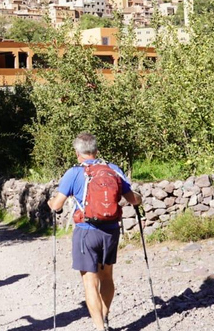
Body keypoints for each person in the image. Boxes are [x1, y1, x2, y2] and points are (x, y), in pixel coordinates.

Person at [47, 132, 142, 331]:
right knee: (107, 277)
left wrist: (51, 203)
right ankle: (105, 316)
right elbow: (133, 198)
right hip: (110, 231)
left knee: (90, 283)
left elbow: (57, 205)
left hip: (86, 232)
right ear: (96, 151)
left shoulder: (73, 173)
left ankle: (100, 328)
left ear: (77, 153)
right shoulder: (113, 169)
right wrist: (139, 199)